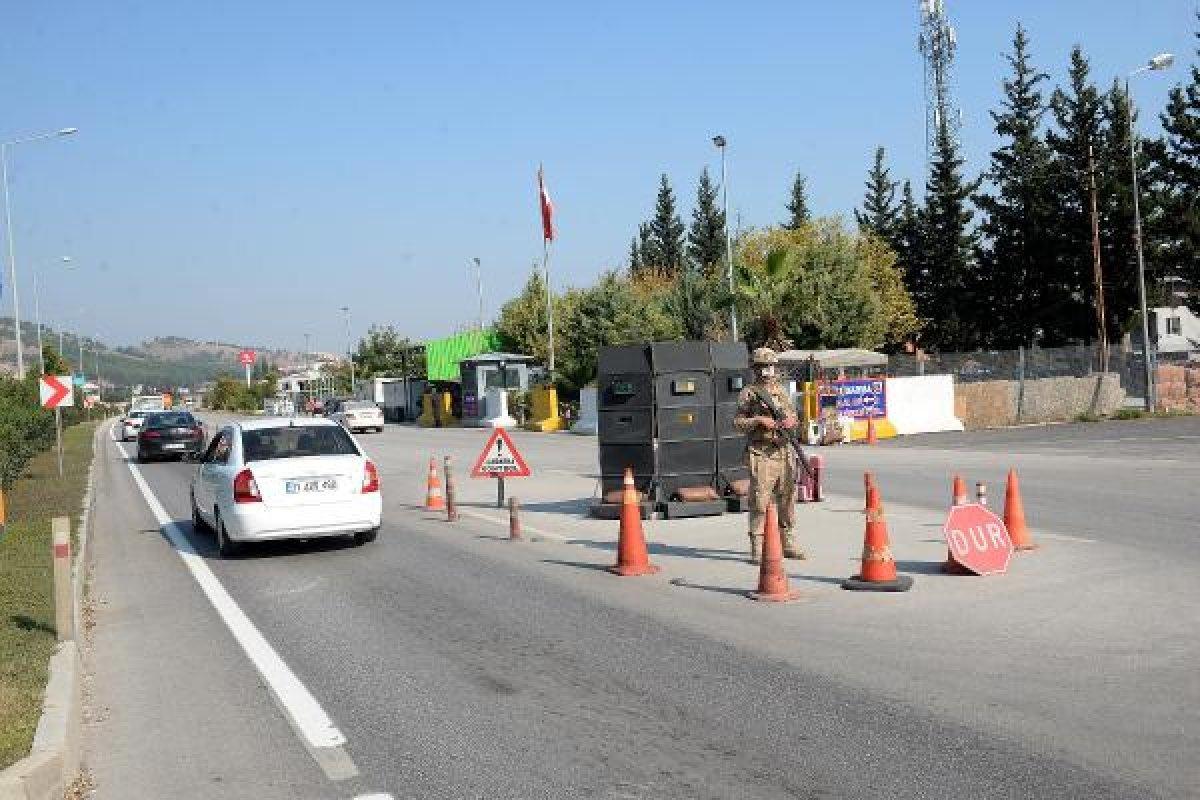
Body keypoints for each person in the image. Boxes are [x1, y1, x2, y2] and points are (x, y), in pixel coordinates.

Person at [734, 347, 804, 563]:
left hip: (783, 450)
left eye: (771, 366)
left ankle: (788, 542)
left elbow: (793, 415)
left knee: (788, 498)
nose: (768, 370)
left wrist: (792, 421)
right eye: (763, 366)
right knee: (760, 500)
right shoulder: (749, 393)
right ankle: (757, 546)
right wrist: (758, 420)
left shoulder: (781, 391)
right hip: (762, 452)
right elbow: (737, 423)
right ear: (755, 368)